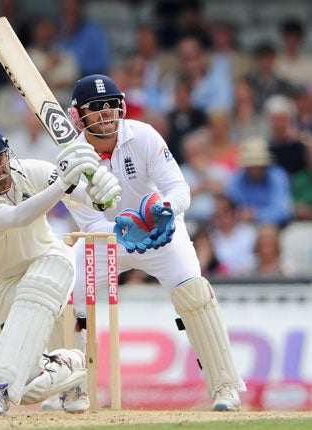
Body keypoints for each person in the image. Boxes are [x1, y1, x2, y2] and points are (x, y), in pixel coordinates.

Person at [66, 74, 246, 411]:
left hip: (160, 232)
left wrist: (164, 211)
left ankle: (225, 387)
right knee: (63, 293)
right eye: (96, 108)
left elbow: (180, 189)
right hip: (105, 238)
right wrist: (121, 229)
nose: (106, 113)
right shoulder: (70, 157)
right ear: (79, 115)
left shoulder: (143, 135)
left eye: (111, 105)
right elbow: (87, 219)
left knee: (195, 294)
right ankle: (71, 387)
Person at [0, 124, 121, 416]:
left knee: (43, 279)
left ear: (7, 153)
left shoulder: (32, 171)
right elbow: (18, 217)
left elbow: (87, 199)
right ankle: (69, 368)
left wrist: (100, 192)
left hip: (50, 262)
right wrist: (63, 186)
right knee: (28, 383)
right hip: (0, 285)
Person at [226, 137, 293, 227]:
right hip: (244, 226)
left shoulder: (278, 177)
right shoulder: (236, 180)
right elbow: (232, 209)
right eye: (251, 166)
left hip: (275, 227)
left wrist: (256, 214)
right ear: (245, 166)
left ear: (266, 164)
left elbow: (283, 212)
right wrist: (243, 214)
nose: (255, 170)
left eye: (259, 166)